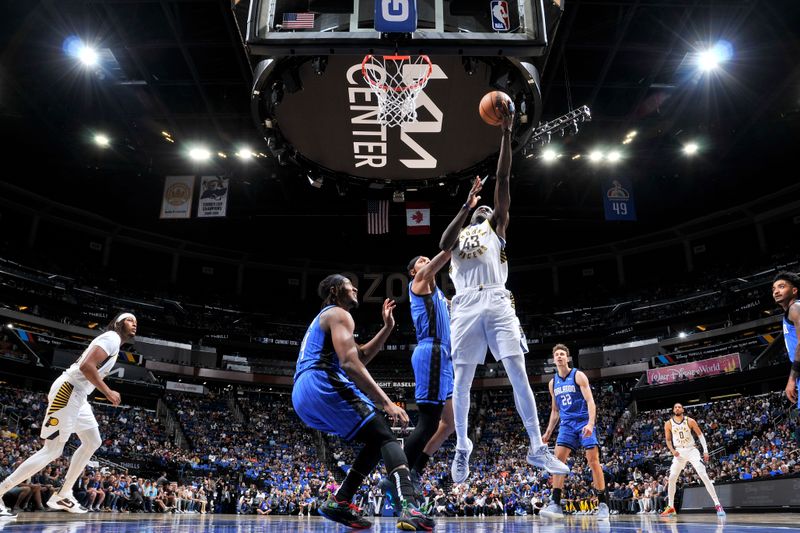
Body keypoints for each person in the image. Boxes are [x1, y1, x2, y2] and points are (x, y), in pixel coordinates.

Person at [438, 103, 569, 483]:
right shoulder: (459, 236)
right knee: (461, 381)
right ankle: (463, 446)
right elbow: (443, 242)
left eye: (485, 213)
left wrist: (505, 134)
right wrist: (466, 205)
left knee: (518, 372)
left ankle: (535, 447)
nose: (483, 215)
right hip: (463, 305)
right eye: (479, 214)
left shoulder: (496, 228)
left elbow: (504, 180)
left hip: (496, 298)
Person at [291, 274, 434, 530]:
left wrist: (387, 328)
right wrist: (387, 402)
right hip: (321, 381)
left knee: (374, 438)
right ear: (335, 291)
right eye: (348, 284)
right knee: (386, 435)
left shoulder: (326, 318)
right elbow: (349, 364)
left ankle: (341, 500)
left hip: (302, 393)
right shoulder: (339, 313)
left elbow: (360, 356)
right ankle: (409, 506)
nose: (355, 287)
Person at [0, 313, 136, 517]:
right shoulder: (112, 338)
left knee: (93, 441)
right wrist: (108, 392)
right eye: (130, 320)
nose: (134, 324)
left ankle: (64, 493)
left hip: (79, 395)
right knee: (52, 450)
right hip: (68, 391)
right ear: (118, 323)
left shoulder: (114, 343)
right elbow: (86, 366)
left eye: (136, 322)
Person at [381, 251, 456, 507]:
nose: (426, 262)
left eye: (427, 259)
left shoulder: (440, 297)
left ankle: (415, 471)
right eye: (421, 261)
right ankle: (395, 477)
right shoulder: (418, 283)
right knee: (427, 422)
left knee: (449, 423)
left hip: (445, 356)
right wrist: (451, 248)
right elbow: (435, 265)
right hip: (431, 352)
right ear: (414, 272)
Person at [540, 344, 609, 520]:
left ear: (568, 358)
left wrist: (591, 423)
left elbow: (590, 401)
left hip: (584, 421)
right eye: (557, 354)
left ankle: (603, 504)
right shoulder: (552, 383)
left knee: (593, 461)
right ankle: (555, 504)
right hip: (566, 425)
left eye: (562, 354)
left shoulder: (578, 375)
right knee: (557, 461)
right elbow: (555, 411)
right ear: (554, 359)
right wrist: (548, 432)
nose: (560, 356)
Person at [659, 403, 725, 517]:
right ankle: (671, 507)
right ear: (673, 410)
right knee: (672, 477)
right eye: (675, 407)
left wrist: (705, 450)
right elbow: (668, 440)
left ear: (683, 409)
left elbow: (700, 435)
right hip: (679, 452)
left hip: (691, 450)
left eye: (679, 407)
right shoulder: (668, 424)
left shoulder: (690, 421)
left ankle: (718, 504)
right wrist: (672, 450)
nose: (677, 408)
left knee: (703, 475)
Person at [772, 272, 800, 406]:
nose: (776, 291)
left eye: (781, 287)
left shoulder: (796, 307)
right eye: (774, 289)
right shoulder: (791, 311)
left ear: (794, 290)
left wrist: (791, 379)